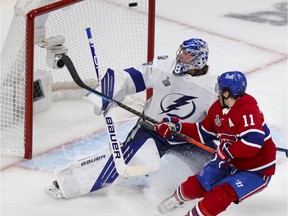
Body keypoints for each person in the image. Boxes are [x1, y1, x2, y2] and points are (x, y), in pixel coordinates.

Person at [153, 71, 277, 215]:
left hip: (256, 170)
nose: (217, 91)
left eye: (220, 88)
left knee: (221, 195)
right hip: (231, 161)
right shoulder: (217, 108)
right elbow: (202, 132)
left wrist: (226, 152)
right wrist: (177, 128)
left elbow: (253, 143)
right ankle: (174, 201)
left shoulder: (247, 109)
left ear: (226, 93)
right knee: (197, 183)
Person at [86, 38, 218, 173]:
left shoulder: (212, 88)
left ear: (199, 59)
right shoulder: (164, 65)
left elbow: (220, 120)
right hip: (152, 130)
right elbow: (131, 77)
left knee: (215, 173)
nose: (181, 55)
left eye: (187, 53)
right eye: (182, 51)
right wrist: (106, 91)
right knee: (129, 167)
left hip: (189, 140)